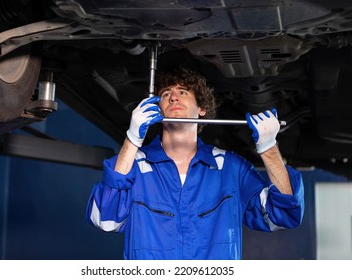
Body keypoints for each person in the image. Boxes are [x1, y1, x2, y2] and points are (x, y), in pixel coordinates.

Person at [86, 67, 304, 260]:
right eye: (165, 94)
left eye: (183, 92)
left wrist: (269, 148)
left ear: (202, 109)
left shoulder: (229, 168)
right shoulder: (133, 164)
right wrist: (132, 138)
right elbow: (105, 220)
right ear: (157, 110)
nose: (173, 98)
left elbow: (283, 216)